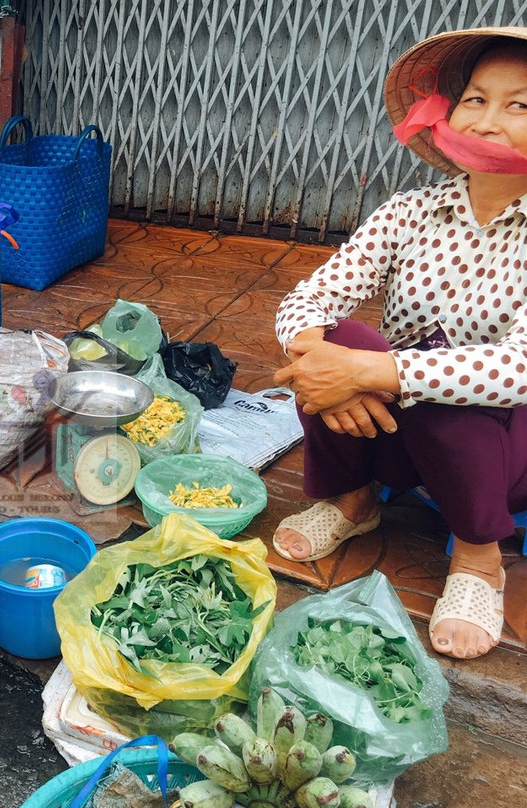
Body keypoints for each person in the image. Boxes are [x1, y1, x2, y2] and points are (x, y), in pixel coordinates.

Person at [272, 26, 527, 661]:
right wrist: (323, 356)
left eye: (520, 105)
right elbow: (308, 299)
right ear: (449, 112)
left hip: (506, 449)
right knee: (333, 340)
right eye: (475, 99)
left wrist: (368, 369)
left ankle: (477, 557)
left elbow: (518, 367)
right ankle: (355, 502)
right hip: (398, 431)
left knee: (437, 380)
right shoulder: (408, 214)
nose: (490, 123)